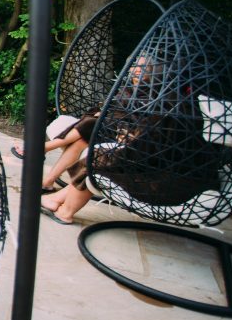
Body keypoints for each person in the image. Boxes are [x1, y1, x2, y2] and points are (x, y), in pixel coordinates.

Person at [40, 56, 220, 225]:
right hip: (173, 172)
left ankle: (64, 211)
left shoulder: (167, 110)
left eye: (139, 69)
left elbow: (138, 153)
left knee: (97, 161)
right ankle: (56, 200)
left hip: (174, 184)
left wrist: (124, 142)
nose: (133, 71)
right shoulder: (172, 101)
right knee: (97, 154)